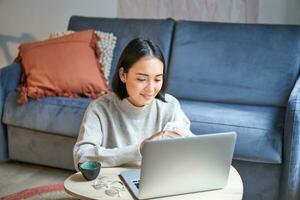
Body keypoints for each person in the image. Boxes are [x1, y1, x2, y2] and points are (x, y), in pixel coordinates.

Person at [73, 38, 194, 169]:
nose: (151, 88)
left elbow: (192, 148)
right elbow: (82, 156)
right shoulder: (100, 108)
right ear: (123, 75)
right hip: (112, 183)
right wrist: (140, 149)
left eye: (158, 79)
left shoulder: (170, 105)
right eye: (141, 79)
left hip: (156, 181)